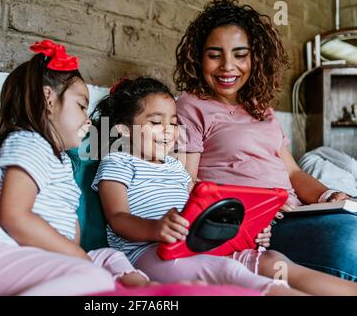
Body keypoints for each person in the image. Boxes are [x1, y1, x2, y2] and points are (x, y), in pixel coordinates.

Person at [91, 76, 357, 295]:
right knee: (231, 274)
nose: (168, 131)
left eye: (173, 123)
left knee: (273, 260)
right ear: (124, 131)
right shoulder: (119, 161)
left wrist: (246, 230)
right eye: (156, 122)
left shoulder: (175, 168)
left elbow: (199, 212)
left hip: (195, 246)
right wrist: (157, 228)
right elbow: (118, 218)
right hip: (150, 252)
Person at [0, 40, 152, 296]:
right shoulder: (30, 142)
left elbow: (66, 234)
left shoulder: (63, 161)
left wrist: (78, 254)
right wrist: (77, 256)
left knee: (110, 257)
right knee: (93, 276)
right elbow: (15, 217)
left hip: (27, 259)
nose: (88, 119)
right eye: (81, 105)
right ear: (48, 99)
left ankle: (148, 291)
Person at [173, 0, 357, 280]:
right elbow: (186, 184)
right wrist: (256, 206)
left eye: (240, 54)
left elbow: (294, 172)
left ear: (254, 58)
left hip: (295, 213)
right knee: (348, 242)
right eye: (214, 54)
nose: (227, 66)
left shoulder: (261, 108)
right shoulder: (190, 105)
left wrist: (327, 195)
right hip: (257, 228)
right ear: (198, 57)